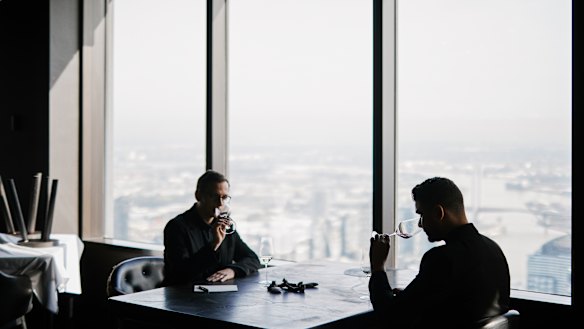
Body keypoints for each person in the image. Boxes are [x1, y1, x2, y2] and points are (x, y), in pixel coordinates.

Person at [368, 177, 511, 328]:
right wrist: (417, 295)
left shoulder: (442, 259)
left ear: (438, 213)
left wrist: (377, 267)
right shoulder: (494, 249)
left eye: (421, 215)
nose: (420, 224)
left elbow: (390, 317)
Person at [162, 170, 260, 286]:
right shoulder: (177, 227)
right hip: (184, 297)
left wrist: (232, 270)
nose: (220, 204)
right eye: (214, 197)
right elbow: (181, 274)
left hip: (217, 297)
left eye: (224, 198)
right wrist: (213, 245)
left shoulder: (225, 226)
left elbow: (252, 259)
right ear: (198, 196)